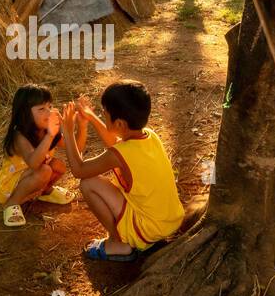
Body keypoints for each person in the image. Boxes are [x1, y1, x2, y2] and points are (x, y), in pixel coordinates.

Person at [60, 79, 184, 260]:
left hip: (147, 229)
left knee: (88, 184)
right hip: (169, 221)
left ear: (119, 124)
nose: (102, 115)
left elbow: (79, 170)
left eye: (104, 113)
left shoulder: (120, 153)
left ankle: (118, 243)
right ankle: (130, 238)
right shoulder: (150, 136)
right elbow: (116, 143)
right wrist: (91, 117)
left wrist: (69, 131)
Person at [0, 84, 76, 227]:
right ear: (25, 113)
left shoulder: (45, 130)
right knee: (45, 170)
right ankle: (11, 204)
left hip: (33, 175)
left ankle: (45, 191)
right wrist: (50, 135)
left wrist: (79, 126)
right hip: (12, 184)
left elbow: (77, 147)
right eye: (41, 109)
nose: (49, 112)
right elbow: (33, 163)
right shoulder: (19, 135)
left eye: (50, 107)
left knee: (58, 166)